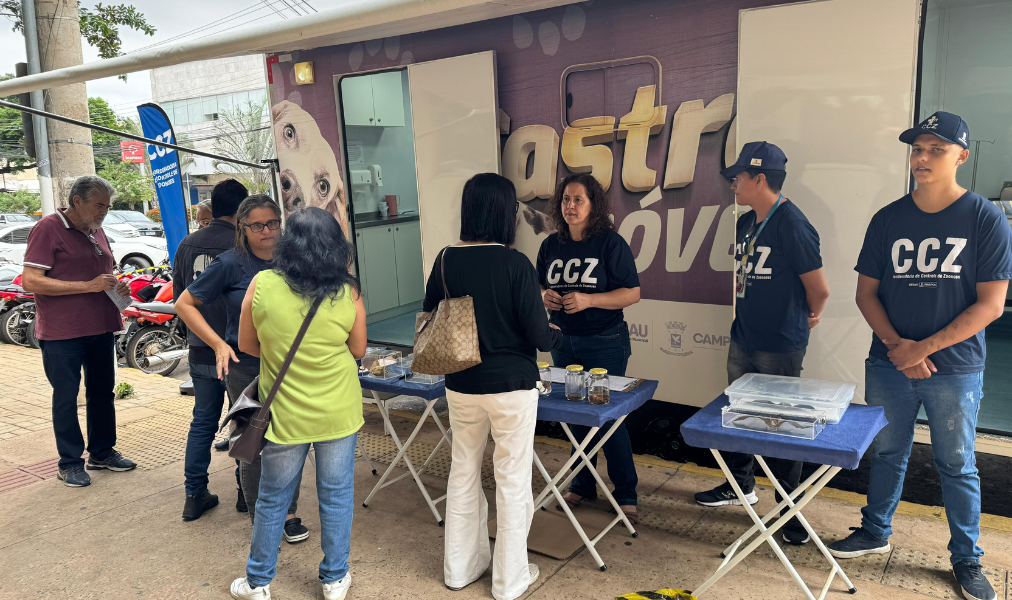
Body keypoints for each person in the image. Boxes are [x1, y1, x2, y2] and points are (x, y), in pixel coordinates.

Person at [828, 112, 1011, 600]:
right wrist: (897, 349)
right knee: (887, 450)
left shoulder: (984, 218)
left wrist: (921, 350)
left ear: (962, 157)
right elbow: (866, 293)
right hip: (889, 362)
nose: (922, 158)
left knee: (957, 463)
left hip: (953, 369)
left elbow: (992, 304)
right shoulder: (888, 218)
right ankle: (874, 530)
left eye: (936, 149)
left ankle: (967, 560)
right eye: (917, 149)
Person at [427, 173, 561, 600]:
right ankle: (509, 580)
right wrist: (555, 331)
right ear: (504, 214)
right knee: (512, 479)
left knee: (463, 472)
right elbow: (540, 337)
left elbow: (432, 315)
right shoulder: (515, 264)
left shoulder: (446, 259)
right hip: (512, 387)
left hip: (461, 383)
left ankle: (460, 570)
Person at [692, 142, 829, 546]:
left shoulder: (793, 223)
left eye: (738, 177)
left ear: (760, 179)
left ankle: (789, 510)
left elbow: (819, 288)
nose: (732, 183)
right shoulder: (745, 223)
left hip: (779, 343)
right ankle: (740, 486)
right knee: (739, 413)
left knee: (784, 426)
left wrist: (810, 316)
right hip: (744, 336)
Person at [229, 207, 366, 600]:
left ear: (289, 243)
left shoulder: (262, 284)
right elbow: (357, 349)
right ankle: (335, 579)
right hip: (339, 410)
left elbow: (247, 345)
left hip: (284, 413)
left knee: (273, 497)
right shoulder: (347, 291)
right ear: (335, 247)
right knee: (336, 494)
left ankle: (257, 583)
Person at [176, 195, 310, 543]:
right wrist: (218, 343)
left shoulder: (292, 259)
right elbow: (184, 303)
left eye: (273, 223)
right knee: (254, 443)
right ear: (242, 228)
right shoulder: (230, 263)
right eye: (257, 225)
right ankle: (262, 518)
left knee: (290, 440)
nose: (266, 231)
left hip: (290, 366)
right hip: (247, 367)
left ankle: (290, 512)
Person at [536, 173, 641, 524]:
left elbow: (632, 293)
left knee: (610, 419)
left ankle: (626, 492)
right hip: (562, 342)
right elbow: (538, 288)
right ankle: (583, 484)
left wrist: (589, 300)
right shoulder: (551, 246)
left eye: (578, 199)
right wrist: (543, 297)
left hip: (605, 341)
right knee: (575, 415)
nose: (570, 206)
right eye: (566, 199)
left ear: (593, 204)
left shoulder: (610, 243)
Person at [21, 175, 137, 488]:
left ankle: (102, 452)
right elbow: (30, 281)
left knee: (102, 392)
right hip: (62, 332)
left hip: (99, 326)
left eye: (107, 206)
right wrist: (86, 286)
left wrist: (117, 285)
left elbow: (103, 274)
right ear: (77, 201)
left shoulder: (96, 232)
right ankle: (70, 463)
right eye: (99, 205)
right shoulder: (48, 228)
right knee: (67, 397)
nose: (104, 212)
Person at [175, 179, 248, 521]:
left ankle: (193, 495)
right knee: (245, 421)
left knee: (203, 421)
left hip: (201, 349)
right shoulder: (242, 244)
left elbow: (180, 298)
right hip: (239, 353)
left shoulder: (187, 244)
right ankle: (244, 493)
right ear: (241, 210)